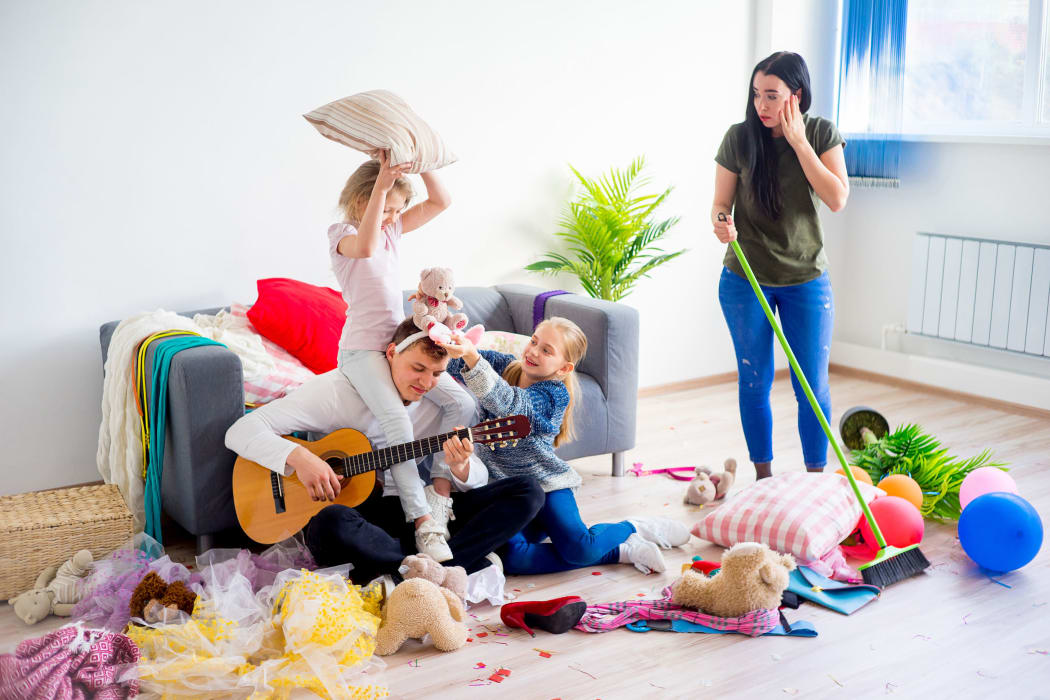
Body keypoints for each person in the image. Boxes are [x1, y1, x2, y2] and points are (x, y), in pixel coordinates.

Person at [224, 319, 544, 584]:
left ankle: (422, 572)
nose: (425, 382)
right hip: (362, 519)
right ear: (391, 353)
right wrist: (301, 458)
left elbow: (471, 481)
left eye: (436, 373)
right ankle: (431, 570)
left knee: (528, 492)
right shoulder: (336, 392)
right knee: (330, 523)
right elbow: (240, 431)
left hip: (418, 518)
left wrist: (460, 467)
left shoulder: (445, 404)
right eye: (417, 368)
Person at [440, 317, 691, 575]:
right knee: (512, 559)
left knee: (580, 549)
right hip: (508, 493)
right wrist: (443, 338)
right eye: (534, 341)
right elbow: (453, 361)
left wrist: (472, 359)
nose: (534, 351)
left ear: (563, 368)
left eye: (547, 350)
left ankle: (635, 527)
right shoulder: (505, 366)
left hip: (548, 486)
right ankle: (622, 552)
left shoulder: (554, 395)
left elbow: (512, 406)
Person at [329, 152, 475, 561]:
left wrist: (420, 161)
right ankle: (422, 522)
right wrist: (381, 184)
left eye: (398, 210)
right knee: (397, 420)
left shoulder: (391, 230)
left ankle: (440, 495)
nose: (393, 217)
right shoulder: (341, 233)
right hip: (361, 351)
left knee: (461, 401)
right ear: (363, 200)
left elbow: (440, 202)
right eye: (387, 208)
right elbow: (367, 243)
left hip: (399, 345)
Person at [711, 51, 849, 480]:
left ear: (797, 96)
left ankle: (815, 480)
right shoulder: (739, 138)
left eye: (772, 96)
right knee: (755, 381)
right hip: (744, 277)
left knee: (812, 387)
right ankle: (764, 479)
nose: (762, 106)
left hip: (805, 278)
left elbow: (837, 198)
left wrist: (799, 142)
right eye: (757, 95)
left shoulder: (822, 133)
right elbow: (719, 205)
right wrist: (721, 223)